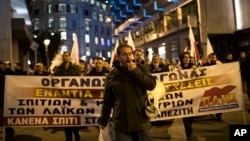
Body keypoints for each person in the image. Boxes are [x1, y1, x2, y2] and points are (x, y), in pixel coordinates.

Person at [99, 44, 156, 141]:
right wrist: (103, 121)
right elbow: (107, 101)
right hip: (121, 124)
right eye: (125, 54)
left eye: (130, 54)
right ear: (118, 56)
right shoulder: (112, 76)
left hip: (141, 122)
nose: (128, 57)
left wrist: (135, 71)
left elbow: (151, 85)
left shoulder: (141, 69)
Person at [53, 52, 81, 141]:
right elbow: (54, 79)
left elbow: (79, 80)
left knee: (73, 118)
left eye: (66, 56)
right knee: (65, 118)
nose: (65, 57)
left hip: (73, 96)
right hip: (63, 97)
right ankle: (68, 138)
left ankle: (76, 133)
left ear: (69, 57)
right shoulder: (58, 69)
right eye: (63, 56)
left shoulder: (75, 68)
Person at [179, 52, 195, 138]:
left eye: (188, 57)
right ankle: (188, 130)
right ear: (182, 58)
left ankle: (190, 127)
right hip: (182, 94)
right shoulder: (178, 67)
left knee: (191, 113)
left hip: (191, 93)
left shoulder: (192, 66)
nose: (187, 59)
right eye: (185, 57)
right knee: (185, 113)